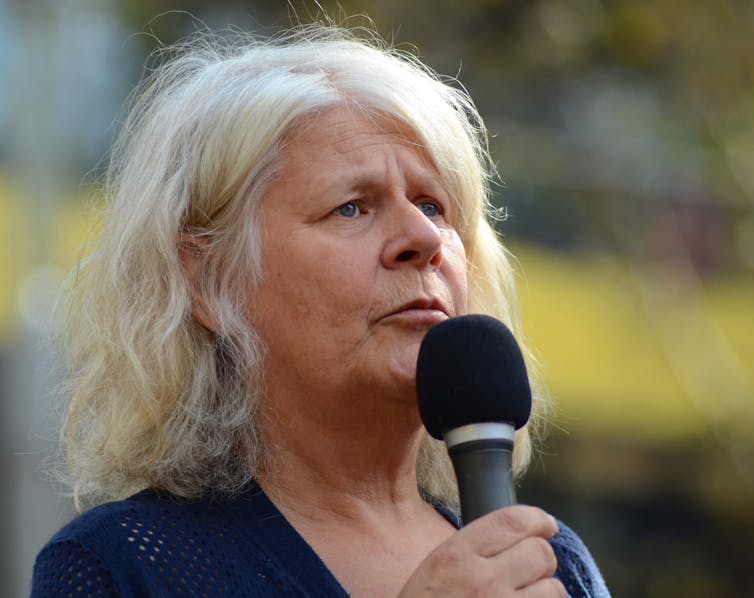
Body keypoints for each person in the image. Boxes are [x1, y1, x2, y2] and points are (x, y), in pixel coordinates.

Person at [31, 24, 609, 597]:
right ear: (209, 282)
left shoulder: (552, 566)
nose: (422, 237)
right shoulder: (119, 568)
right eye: (352, 208)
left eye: (433, 204)